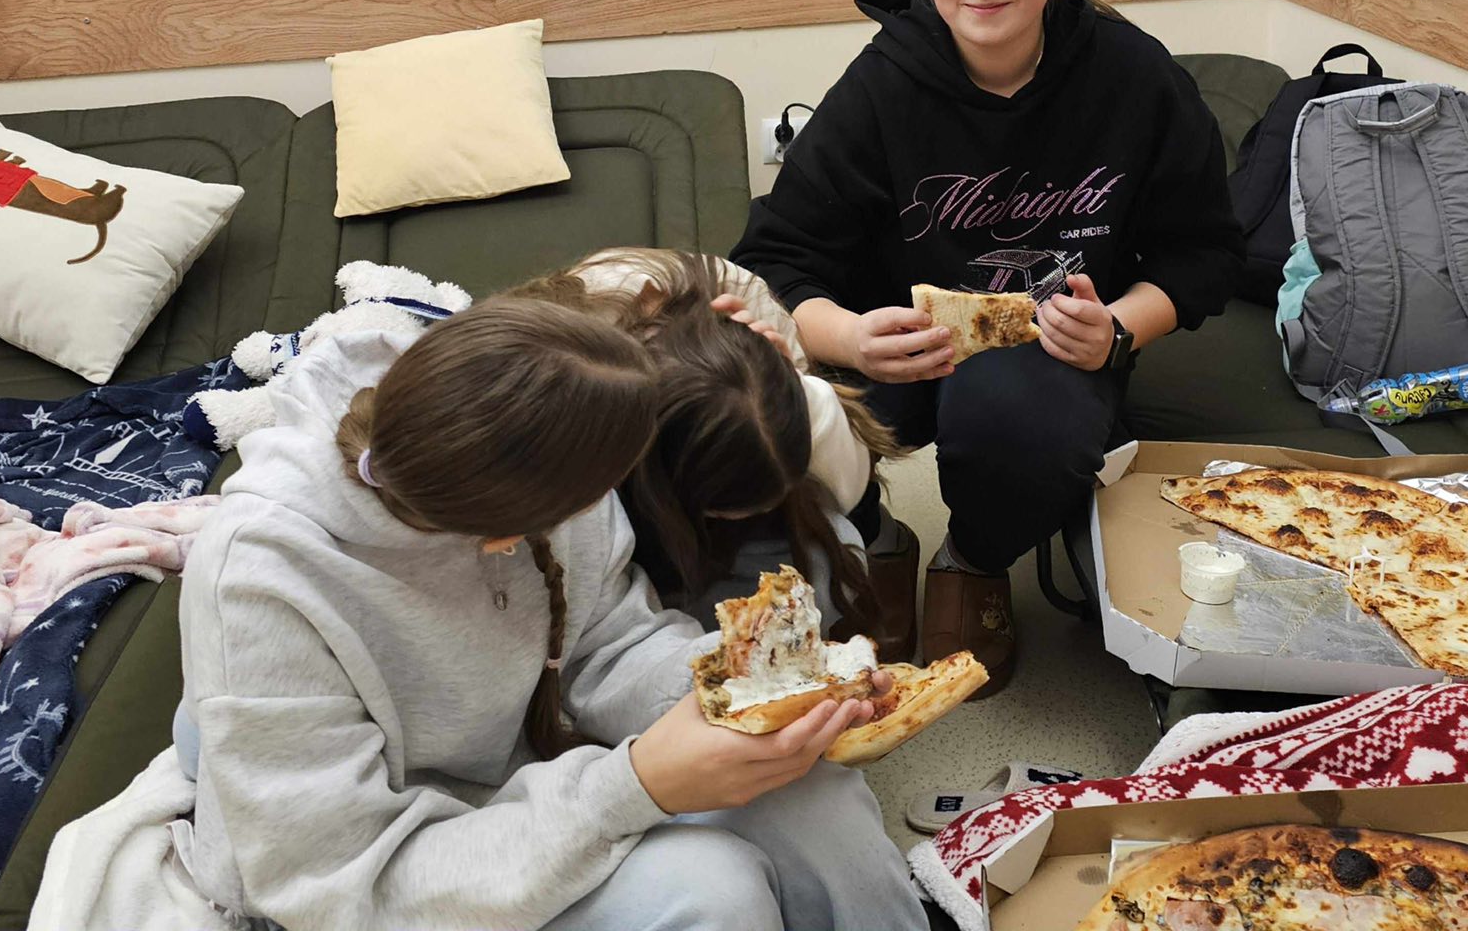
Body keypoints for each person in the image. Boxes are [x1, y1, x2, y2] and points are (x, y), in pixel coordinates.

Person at [173, 297, 925, 931]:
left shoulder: (520, 436)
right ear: (505, 540)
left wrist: (757, 688)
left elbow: (609, 640)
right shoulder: (263, 584)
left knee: (806, 789)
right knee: (711, 890)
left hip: (532, 786)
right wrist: (635, 786)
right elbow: (341, 887)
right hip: (384, 873)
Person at [732, 0, 1244, 691]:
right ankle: (874, 540)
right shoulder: (880, 85)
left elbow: (1206, 249)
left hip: (1049, 354)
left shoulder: (1133, 75)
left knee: (1022, 418)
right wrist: (851, 339)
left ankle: (973, 557)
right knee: (773, 405)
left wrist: (1117, 331)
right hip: (890, 343)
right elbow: (773, 260)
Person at [518, 249, 903, 636]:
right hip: (603, 488)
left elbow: (841, 488)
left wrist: (802, 393)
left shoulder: (753, 307)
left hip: (668, 481)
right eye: (726, 510)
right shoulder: (563, 401)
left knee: (825, 554)